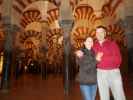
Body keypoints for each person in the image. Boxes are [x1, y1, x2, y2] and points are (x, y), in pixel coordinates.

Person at [93, 26, 126, 100]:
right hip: (100, 73)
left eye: (101, 32)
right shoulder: (93, 46)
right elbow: (90, 59)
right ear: (95, 34)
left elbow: (118, 60)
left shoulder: (112, 44)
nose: (99, 34)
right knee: (104, 96)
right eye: (97, 32)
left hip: (113, 72)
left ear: (105, 33)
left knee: (119, 95)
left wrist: (100, 59)